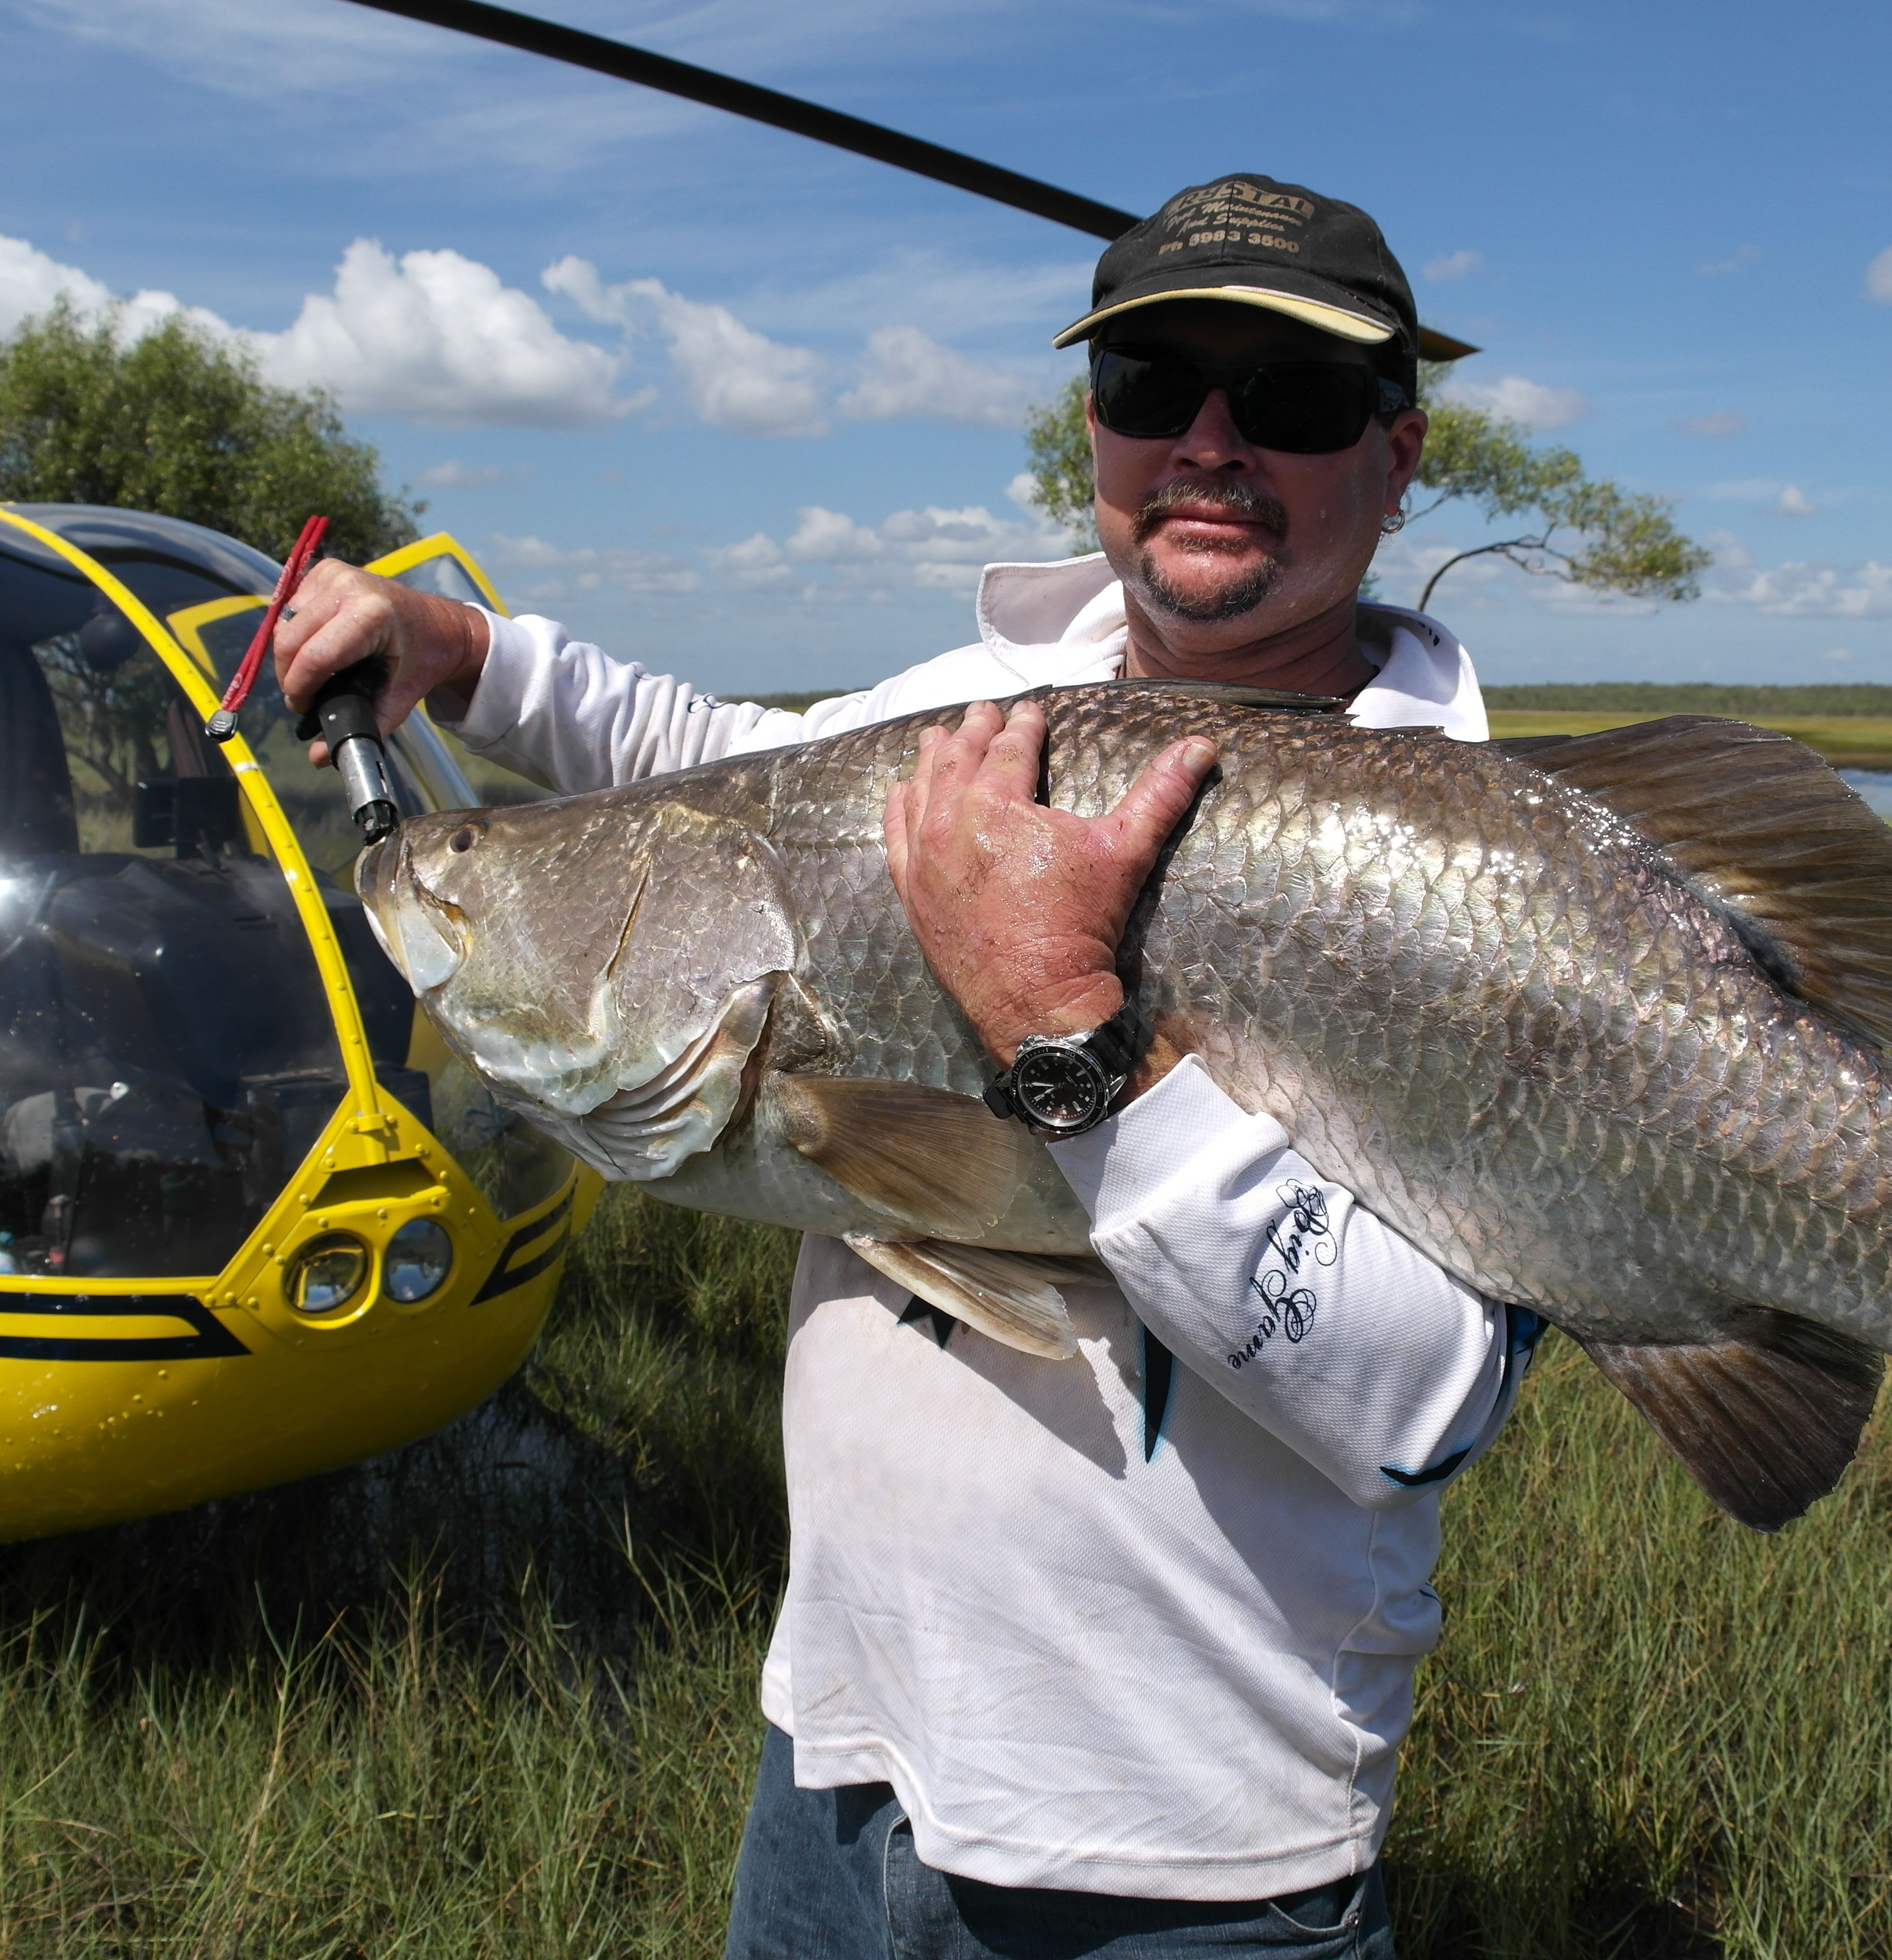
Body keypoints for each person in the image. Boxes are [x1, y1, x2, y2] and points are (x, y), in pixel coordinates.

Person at [276, 175, 1538, 1958]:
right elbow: (716, 768)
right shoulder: (975, 710)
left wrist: (1066, 1029)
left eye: (1296, 398)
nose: (1209, 442)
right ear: (1092, 432)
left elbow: (1428, 1407)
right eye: (1151, 385)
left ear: (1397, 456)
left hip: (1187, 1866)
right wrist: (462, 648)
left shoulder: (1494, 887)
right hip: (837, 1762)